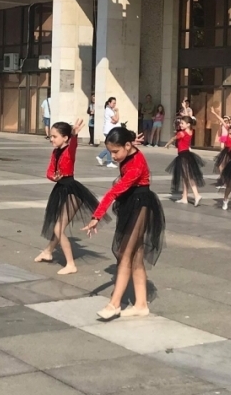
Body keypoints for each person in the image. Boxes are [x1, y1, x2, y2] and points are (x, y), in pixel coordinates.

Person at [82, 126, 164, 319]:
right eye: (110, 152)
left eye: (115, 152)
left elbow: (114, 191)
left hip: (141, 204)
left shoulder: (136, 164)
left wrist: (97, 216)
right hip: (131, 202)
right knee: (134, 255)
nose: (113, 157)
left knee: (125, 254)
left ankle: (114, 304)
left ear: (127, 146)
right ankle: (141, 304)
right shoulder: (129, 150)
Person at [36, 119, 97, 274]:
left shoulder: (69, 150)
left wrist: (74, 135)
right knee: (58, 225)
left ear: (65, 138)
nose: (51, 139)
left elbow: (74, 145)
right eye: (51, 136)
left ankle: (70, 264)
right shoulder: (55, 152)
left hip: (72, 191)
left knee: (58, 227)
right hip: (60, 188)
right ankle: (48, 251)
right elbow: (50, 170)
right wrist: (54, 177)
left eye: (54, 136)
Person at [164, 116, 203, 206]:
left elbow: (174, 138)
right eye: (180, 123)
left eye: (182, 123)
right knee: (185, 177)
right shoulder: (190, 131)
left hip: (183, 156)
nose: (180, 125)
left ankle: (196, 195)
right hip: (187, 154)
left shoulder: (182, 133)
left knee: (189, 176)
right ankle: (184, 197)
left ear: (188, 124)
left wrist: (167, 144)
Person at [96, 97, 120, 168]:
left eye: (115, 103)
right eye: (113, 103)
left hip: (109, 130)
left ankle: (103, 158)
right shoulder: (109, 110)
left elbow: (115, 120)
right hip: (108, 131)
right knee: (111, 146)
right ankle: (104, 159)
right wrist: (117, 112)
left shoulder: (110, 110)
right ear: (109, 103)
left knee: (110, 146)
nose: (114, 104)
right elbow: (116, 119)